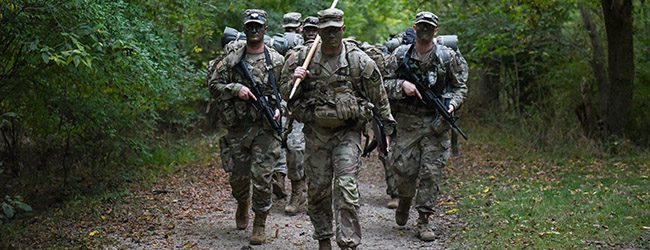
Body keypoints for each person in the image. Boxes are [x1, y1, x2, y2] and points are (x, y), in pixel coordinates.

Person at [281, 8, 396, 250]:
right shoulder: (302, 58)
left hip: (347, 133)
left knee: (346, 187)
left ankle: (348, 242)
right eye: (326, 30)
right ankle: (323, 238)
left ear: (343, 29)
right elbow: (284, 94)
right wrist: (296, 78)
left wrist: (387, 131)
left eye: (335, 30)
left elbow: (380, 97)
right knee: (318, 190)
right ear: (319, 32)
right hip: (316, 134)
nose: (331, 35)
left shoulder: (360, 61)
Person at [383, 11, 468, 241]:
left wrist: (451, 105)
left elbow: (461, 86)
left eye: (429, 27)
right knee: (404, 169)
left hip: (436, 122)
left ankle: (423, 220)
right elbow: (383, 82)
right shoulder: (401, 54)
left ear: (436, 31)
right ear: (415, 27)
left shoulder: (447, 57)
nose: (425, 30)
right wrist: (403, 86)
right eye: (421, 26)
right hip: (407, 121)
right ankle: (405, 199)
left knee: (431, 171)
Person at [208, 9, 284, 245]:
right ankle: (242, 203)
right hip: (239, 128)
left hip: (265, 128)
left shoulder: (277, 61)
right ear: (244, 28)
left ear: (265, 29)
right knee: (239, 180)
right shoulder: (232, 58)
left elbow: (290, 91)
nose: (254, 30)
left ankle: (259, 222)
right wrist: (235, 90)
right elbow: (213, 85)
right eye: (250, 26)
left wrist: (281, 106)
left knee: (262, 179)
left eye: (258, 26)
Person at [282, 15, 319, 216]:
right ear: (302, 31)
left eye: (316, 29)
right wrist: (295, 78)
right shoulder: (295, 54)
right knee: (295, 149)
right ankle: (297, 191)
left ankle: (317, 196)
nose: (312, 33)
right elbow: (284, 89)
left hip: (325, 113)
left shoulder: (332, 52)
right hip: (300, 112)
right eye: (309, 30)